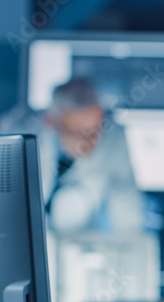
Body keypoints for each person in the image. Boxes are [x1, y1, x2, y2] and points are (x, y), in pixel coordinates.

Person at [35, 77, 143, 234]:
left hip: (79, 242)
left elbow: (126, 201)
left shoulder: (112, 137)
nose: (90, 142)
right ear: (52, 123)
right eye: (79, 132)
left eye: (95, 130)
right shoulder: (22, 133)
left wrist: (129, 250)